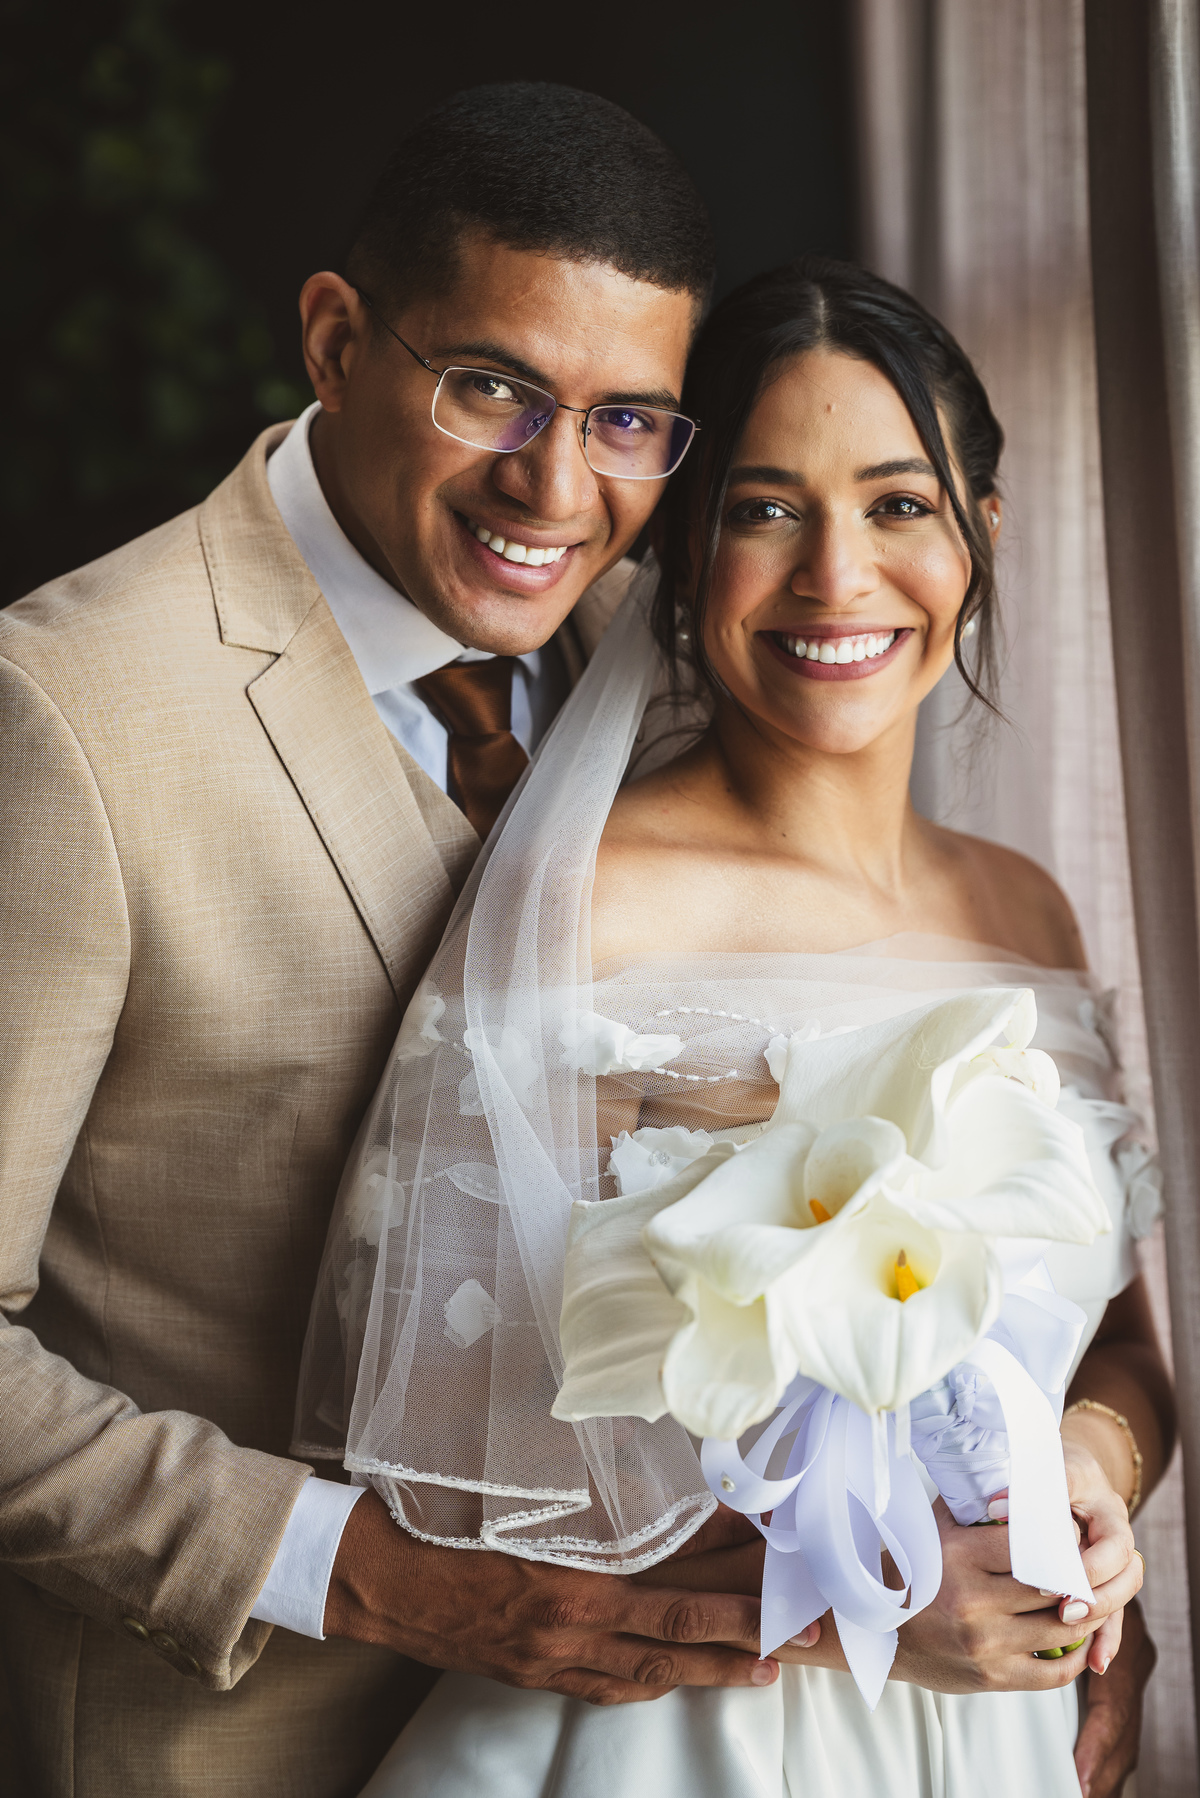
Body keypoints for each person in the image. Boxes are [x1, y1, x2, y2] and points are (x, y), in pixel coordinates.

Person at [0, 81, 796, 1798]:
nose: (557, 485)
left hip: (606, 1743)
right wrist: (369, 1571)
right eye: (492, 387)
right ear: (338, 337)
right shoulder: (58, 711)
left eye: (630, 421)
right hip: (223, 1738)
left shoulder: (658, 663)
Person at [301, 257, 1175, 1798]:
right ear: (688, 551)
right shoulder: (596, 904)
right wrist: (883, 1602)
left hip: (1003, 1732)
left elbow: (1109, 1341)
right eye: (768, 508)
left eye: (899, 503)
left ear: (983, 527)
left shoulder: (1026, 910)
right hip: (687, 1732)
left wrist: (1084, 1481)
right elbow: (458, 1459)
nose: (838, 576)